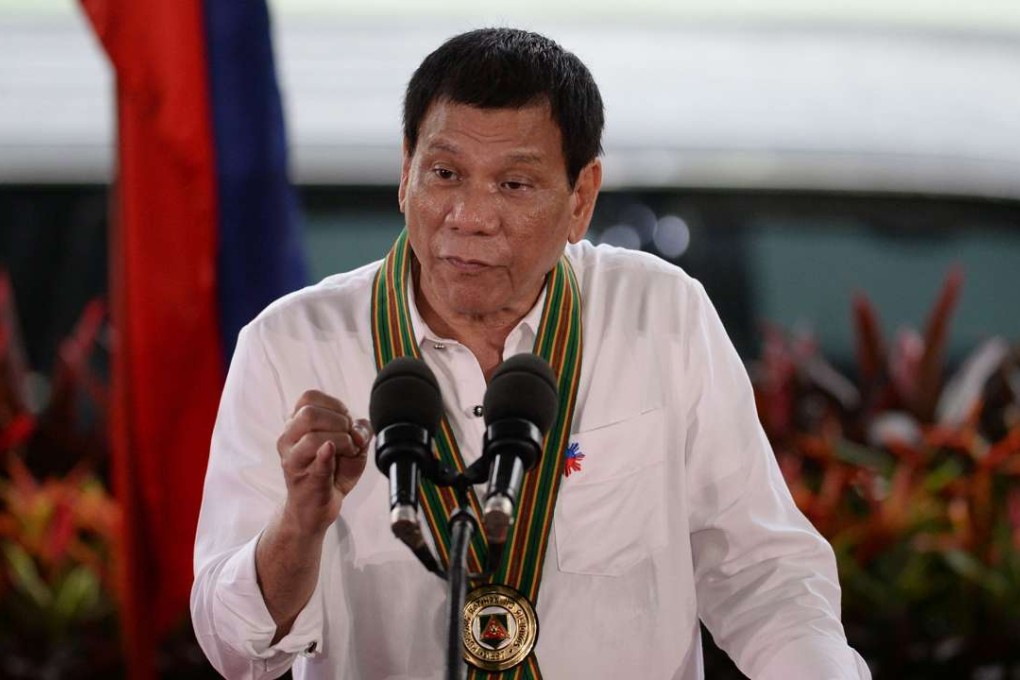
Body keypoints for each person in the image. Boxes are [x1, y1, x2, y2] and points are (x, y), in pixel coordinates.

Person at [191, 27, 870, 680]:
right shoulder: (291, 346)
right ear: (405, 174)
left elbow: (761, 576)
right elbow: (233, 648)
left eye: (513, 185)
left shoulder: (661, 318)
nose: (470, 215)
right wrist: (297, 530)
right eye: (445, 173)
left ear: (581, 198)